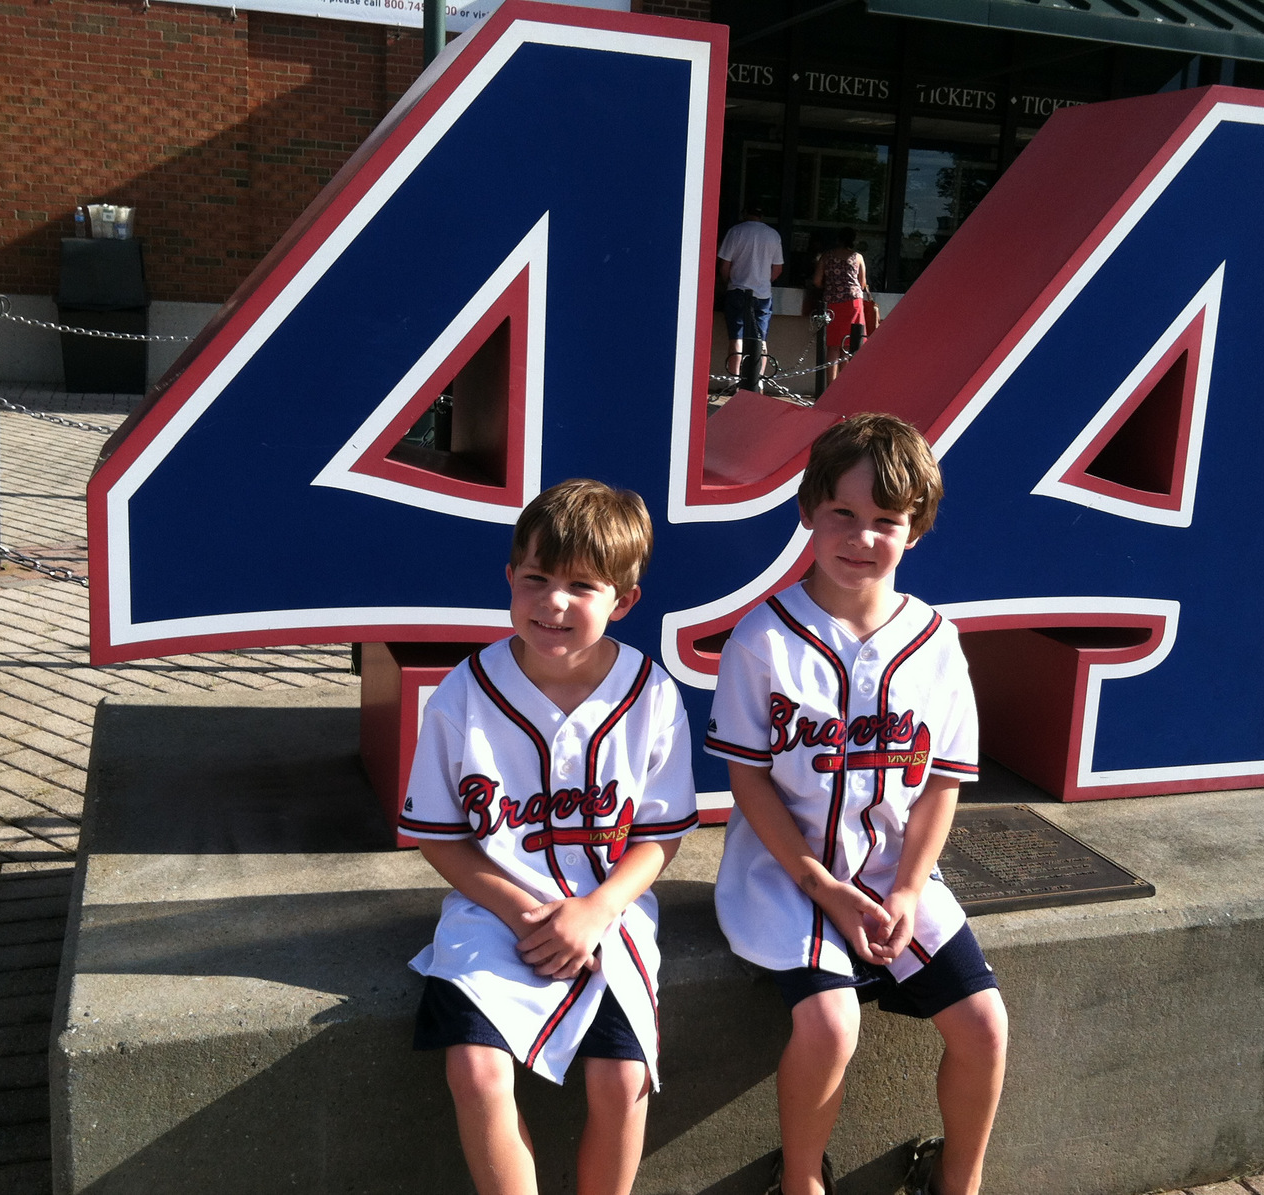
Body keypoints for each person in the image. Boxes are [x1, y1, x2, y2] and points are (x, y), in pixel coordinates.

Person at [705, 413, 1008, 1195]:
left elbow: (943, 781)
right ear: (808, 508)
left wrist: (907, 887)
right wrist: (822, 886)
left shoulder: (936, 640)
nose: (861, 536)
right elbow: (749, 780)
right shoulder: (763, 638)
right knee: (830, 1023)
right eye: (842, 511)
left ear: (917, 529)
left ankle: (958, 1179)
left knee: (984, 1024)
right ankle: (802, 1179)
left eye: (886, 520)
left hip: (893, 870)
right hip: (788, 875)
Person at [399, 478, 698, 1195]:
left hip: (610, 907)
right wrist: (517, 910)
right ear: (510, 577)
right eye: (536, 578)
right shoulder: (465, 691)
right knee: (475, 1068)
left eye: (582, 585)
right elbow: (439, 836)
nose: (553, 602)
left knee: (623, 1077)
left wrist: (597, 909)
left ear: (623, 600)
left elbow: (659, 836)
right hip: (494, 906)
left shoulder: (651, 692)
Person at [718, 207, 785, 385]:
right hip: (762, 294)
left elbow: (724, 265)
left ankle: (734, 380)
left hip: (737, 289)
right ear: (762, 215)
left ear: (744, 213)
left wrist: (727, 282)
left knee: (737, 337)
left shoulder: (735, 232)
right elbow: (778, 268)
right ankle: (758, 380)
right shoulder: (773, 235)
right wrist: (764, 281)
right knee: (760, 338)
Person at [809, 228, 867, 383]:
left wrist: (831, 286)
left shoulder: (826, 256)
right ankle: (843, 385)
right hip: (853, 303)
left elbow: (816, 281)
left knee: (833, 345)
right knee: (848, 345)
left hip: (832, 302)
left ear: (838, 239)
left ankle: (831, 384)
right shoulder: (857, 257)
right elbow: (862, 284)